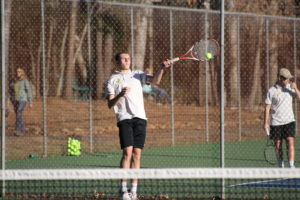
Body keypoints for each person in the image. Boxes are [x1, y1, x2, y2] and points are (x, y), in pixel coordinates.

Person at [105, 52, 172, 200]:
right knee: (127, 153)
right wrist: (120, 95)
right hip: (124, 119)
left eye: (128, 58)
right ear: (117, 62)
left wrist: (162, 68)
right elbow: (110, 104)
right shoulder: (112, 80)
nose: (127, 60)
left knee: (137, 154)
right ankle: (123, 190)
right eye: (123, 58)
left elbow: (154, 82)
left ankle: (133, 191)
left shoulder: (137, 75)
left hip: (140, 118)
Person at [264, 68, 300, 168]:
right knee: (278, 144)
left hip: (289, 121)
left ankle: (291, 166)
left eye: (289, 79)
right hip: (276, 122)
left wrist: (296, 89)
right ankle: (281, 165)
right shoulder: (271, 91)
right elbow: (267, 108)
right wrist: (266, 122)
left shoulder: (290, 88)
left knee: (290, 140)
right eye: (286, 79)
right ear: (279, 78)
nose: (288, 80)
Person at [8, 68, 33, 136]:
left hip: (23, 100)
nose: (17, 73)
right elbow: (11, 89)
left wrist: (30, 101)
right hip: (16, 100)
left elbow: (29, 91)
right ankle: (21, 130)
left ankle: (18, 130)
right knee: (18, 115)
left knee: (19, 112)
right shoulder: (15, 81)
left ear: (22, 72)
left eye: (19, 72)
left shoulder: (25, 81)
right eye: (17, 71)